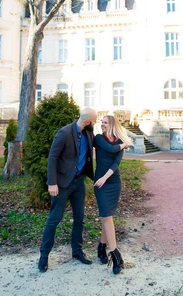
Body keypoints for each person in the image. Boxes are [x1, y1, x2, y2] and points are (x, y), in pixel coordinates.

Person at [38, 107, 122, 273]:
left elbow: (108, 146)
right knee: (54, 219)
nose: (97, 123)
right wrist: (52, 182)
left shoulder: (89, 134)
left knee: (79, 219)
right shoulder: (64, 133)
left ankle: (77, 251)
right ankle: (44, 255)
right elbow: (52, 157)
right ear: (88, 121)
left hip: (78, 183)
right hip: (62, 184)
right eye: (96, 120)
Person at [93, 115, 133, 274]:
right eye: (101, 122)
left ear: (112, 125)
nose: (102, 125)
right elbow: (109, 149)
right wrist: (124, 144)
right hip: (100, 184)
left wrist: (105, 177)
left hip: (113, 181)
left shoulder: (118, 142)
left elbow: (116, 163)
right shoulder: (98, 139)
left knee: (107, 216)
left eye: (105, 123)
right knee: (106, 216)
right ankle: (115, 255)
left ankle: (101, 248)